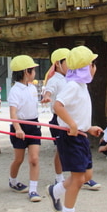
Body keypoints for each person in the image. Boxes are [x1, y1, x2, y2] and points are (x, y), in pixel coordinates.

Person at [47, 46, 104, 212]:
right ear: (85, 67)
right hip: (70, 137)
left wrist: (88, 128)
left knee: (86, 175)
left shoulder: (82, 86)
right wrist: (72, 125)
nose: (94, 68)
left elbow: (78, 112)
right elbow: (58, 106)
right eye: (92, 64)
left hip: (80, 136)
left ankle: (55, 191)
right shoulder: (72, 86)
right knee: (79, 178)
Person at [7, 55, 42, 202]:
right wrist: (18, 129)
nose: (34, 72)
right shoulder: (15, 90)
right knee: (19, 159)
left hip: (34, 125)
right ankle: (13, 181)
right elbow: (13, 113)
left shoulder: (32, 87)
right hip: (19, 126)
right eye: (32, 70)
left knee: (34, 159)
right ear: (26, 72)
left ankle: (33, 190)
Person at [42, 48, 70, 187]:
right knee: (61, 150)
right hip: (59, 119)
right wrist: (47, 97)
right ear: (58, 64)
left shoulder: (70, 78)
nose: (71, 65)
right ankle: (59, 178)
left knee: (77, 147)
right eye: (68, 61)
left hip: (72, 118)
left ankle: (82, 175)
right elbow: (49, 90)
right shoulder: (54, 79)